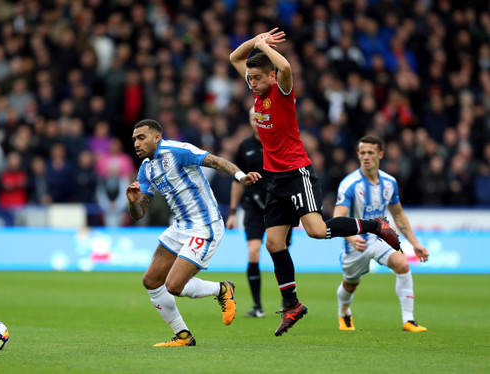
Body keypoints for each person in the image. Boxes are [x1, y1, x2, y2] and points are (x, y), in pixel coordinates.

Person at [229, 28, 400, 336]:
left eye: (257, 78)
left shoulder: (280, 91)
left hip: (298, 173)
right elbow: (234, 57)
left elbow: (286, 68)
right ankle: (292, 304)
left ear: (270, 76)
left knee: (317, 231)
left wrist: (266, 48)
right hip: (274, 179)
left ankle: (375, 225)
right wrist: (255, 42)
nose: (252, 83)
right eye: (249, 79)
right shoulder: (258, 88)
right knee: (273, 243)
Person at [126, 119, 261, 347]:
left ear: (157, 137)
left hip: (204, 225)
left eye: (141, 138)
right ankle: (183, 336)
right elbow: (139, 213)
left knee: (174, 286)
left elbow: (216, 162)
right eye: (134, 140)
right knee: (150, 281)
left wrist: (241, 177)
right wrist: (132, 202)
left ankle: (222, 289)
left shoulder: (178, 151)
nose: (136, 144)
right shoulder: (146, 168)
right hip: (180, 227)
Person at [334, 135, 429, 332]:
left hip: (380, 235)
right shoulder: (349, 184)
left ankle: (408, 320)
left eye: (370, 152)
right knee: (350, 285)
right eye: (362, 153)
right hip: (356, 241)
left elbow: (399, 215)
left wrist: (415, 243)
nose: (366, 156)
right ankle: (344, 312)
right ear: (358, 154)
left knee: (403, 264)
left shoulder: (389, 182)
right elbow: (337, 218)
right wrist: (351, 237)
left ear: (381, 154)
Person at [226, 106, 292, 318]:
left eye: (259, 118)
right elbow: (237, 180)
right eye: (252, 118)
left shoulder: (279, 143)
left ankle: (288, 304)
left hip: (280, 206)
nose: (255, 121)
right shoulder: (245, 147)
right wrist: (233, 212)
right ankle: (257, 307)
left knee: (280, 253)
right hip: (253, 206)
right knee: (253, 252)